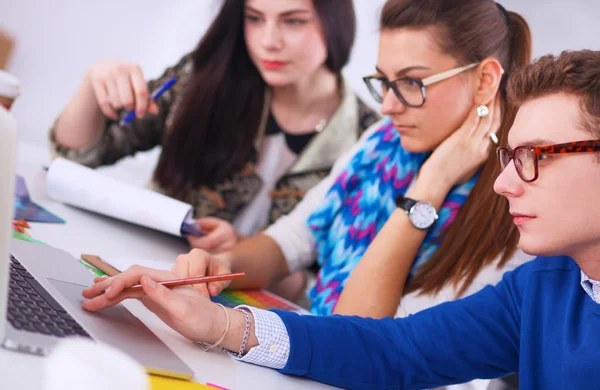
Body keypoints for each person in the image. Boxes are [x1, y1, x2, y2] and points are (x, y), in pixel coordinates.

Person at [82, 49, 600, 389]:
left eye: (539, 155)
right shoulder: (544, 286)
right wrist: (220, 324)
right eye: (509, 157)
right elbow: (397, 349)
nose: (505, 181)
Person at [135, 0, 533, 334]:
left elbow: (362, 337)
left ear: (484, 81)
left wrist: (429, 188)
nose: (389, 105)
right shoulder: (381, 144)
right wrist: (225, 264)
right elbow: (292, 239)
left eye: (412, 83)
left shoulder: (515, 214)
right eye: (384, 82)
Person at [49, 0, 379, 257]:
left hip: (258, 324)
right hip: (141, 274)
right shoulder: (203, 79)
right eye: (254, 18)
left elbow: (334, 284)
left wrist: (248, 256)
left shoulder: (371, 143)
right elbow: (74, 158)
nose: (269, 41)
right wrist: (93, 82)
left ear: (336, 23)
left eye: (293, 21)